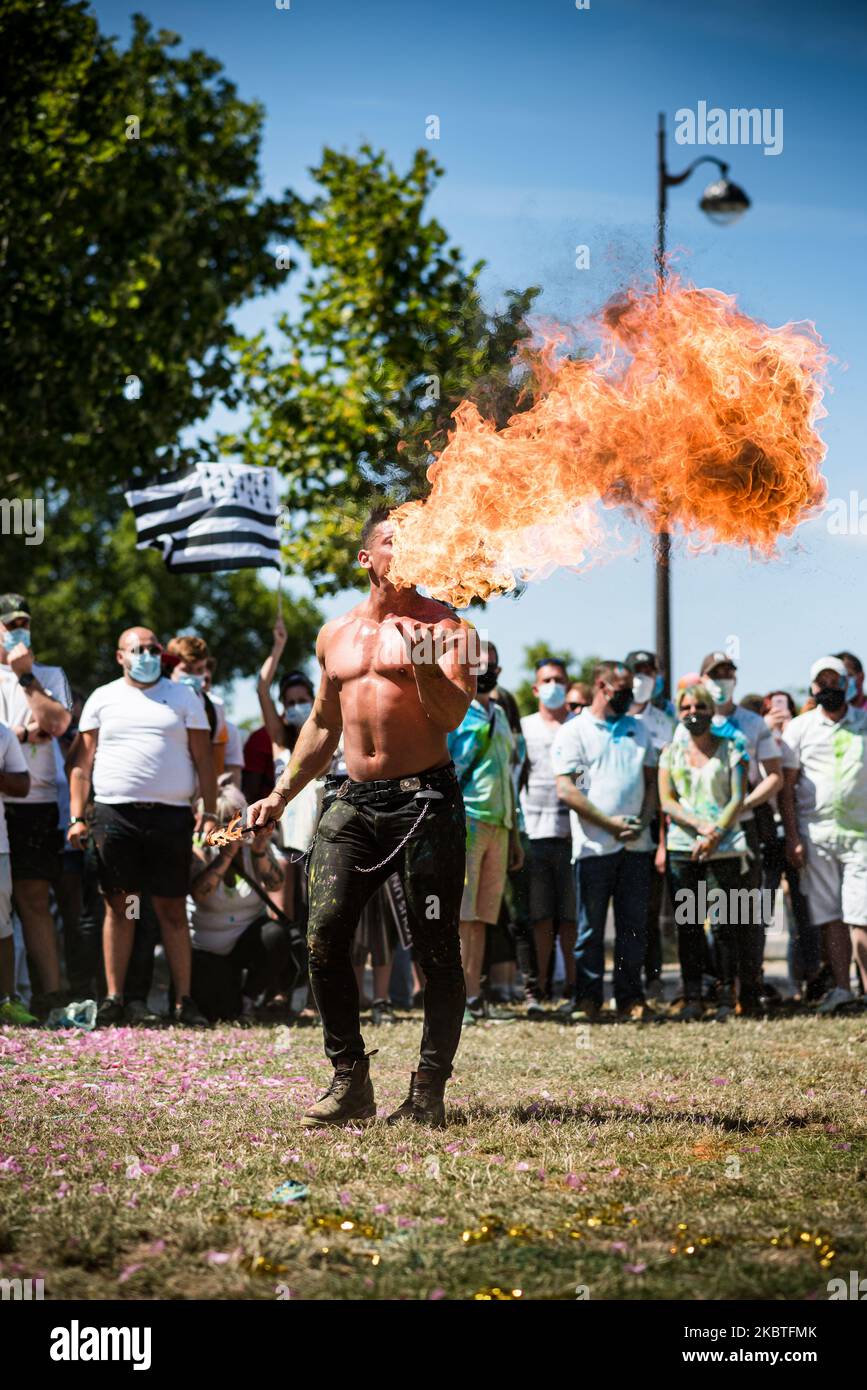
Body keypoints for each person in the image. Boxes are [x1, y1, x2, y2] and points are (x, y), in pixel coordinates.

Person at [246, 505, 474, 1129]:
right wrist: (282, 792)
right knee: (322, 936)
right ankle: (350, 1081)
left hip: (426, 801)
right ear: (366, 558)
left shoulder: (451, 626)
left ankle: (428, 1090)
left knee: (436, 952)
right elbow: (322, 722)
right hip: (352, 800)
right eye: (396, 541)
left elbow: (452, 716)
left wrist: (425, 665)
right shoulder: (334, 633)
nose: (410, 550)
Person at [67, 626, 218, 1028]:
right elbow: (82, 764)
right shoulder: (104, 697)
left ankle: (184, 1000)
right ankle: (116, 997)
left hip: (170, 819)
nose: (147, 654)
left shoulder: (184, 697)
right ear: (121, 656)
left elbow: (204, 759)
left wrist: (211, 808)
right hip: (117, 819)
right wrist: (77, 817)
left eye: (153, 648)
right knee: (125, 907)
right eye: (138, 649)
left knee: (170, 907)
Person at [552, 660, 658, 1022]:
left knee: (633, 927)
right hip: (594, 847)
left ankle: (630, 998)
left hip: (635, 846)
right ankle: (588, 998)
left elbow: (651, 782)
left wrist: (642, 821)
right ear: (601, 685)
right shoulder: (576, 731)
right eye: (622, 689)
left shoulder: (639, 729)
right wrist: (609, 824)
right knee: (590, 928)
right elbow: (569, 789)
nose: (629, 696)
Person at [695, 650, 783, 1012]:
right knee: (714, 912)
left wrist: (742, 805)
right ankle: (720, 987)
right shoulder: (693, 719)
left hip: (747, 827)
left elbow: (774, 774)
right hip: (705, 828)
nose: (722, 679)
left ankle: (750, 987)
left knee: (750, 911)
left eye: (728, 672)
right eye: (715, 674)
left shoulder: (752, 723)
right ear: (703, 679)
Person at [780, 656, 867, 1014]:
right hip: (816, 834)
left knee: (861, 914)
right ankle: (843, 989)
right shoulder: (799, 729)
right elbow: (786, 789)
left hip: (861, 834)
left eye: (836, 681)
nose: (829, 688)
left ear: (848, 683)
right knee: (831, 915)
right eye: (822, 682)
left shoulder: (864, 723)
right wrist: (792, 836)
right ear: (813, 687)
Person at [0, 593, 72, 1017]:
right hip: (2, 797)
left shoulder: (49, 675)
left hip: (38, 801)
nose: (17, 630)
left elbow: (58, 724)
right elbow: (18, 735)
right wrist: (23, 735)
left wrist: (27, 679)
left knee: (33, 898)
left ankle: (51, 994)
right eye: (9, 624)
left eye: (23, 623)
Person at [659, 684, 749, 1021]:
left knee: (726, 924)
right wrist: (700, 827)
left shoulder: (733, 747)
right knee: (690, 925)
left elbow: (738, 797)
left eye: (699, 706)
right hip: (684, 848)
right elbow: (667, 800)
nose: (692, 712)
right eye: (686, 707)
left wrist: (715, 834)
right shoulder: (670, 752)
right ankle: (693, 995)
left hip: (724, 848)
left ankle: (727, 996)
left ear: (712, 710)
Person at [448, 639, 521, 1027]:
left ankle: (474, 997)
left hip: (501, 825)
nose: (487, 670)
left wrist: (517, 832)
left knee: (482, 918)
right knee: (463, 916)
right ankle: (459, 1000)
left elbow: (510, 775)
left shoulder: (503, 715)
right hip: (468, 822)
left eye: (493, 664)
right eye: (480, 664)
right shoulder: (457, 713)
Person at [188, 779, 289, 1021]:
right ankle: (232, 999)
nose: (234, 832)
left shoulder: (255, 846)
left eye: (236, 822)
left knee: (277, 935)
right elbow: (200, 896)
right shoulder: (201, 848)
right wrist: (225, 856)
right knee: (220, 1012)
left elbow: (276, 884)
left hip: (247, 939)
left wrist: (258, 851)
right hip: (208, 948)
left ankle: (248, 998)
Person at [519, 657, 577, 1018]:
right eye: (547, 679)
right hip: (534, 832)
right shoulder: (523, 727)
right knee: (540, 917)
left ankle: (572, 988)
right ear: (536, 688)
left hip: (575, 834)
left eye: (559, 679)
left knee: (570, 918)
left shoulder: (579, 725)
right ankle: (539, 990)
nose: (553, 684)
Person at [760, 691, 821, 999]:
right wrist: (765, 730)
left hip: (797, 831)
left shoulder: (801, 737)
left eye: (785, 707)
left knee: (804, 911)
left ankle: (810, 977)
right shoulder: (757, 735)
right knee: (757, 908)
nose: (779, 713)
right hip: (765, 834)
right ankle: (753, 980)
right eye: (773, 708)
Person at [626, 649, 675, 1004]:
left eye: (649, 671)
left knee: (650, 909)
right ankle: (626, 985)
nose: (643, 678)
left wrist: (662, 838)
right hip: (618, 824)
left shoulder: (665, 722)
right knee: (627, 909)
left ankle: (654, 979)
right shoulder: (616, 719)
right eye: (637, 671)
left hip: (657, 822)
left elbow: (668, 784)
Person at [0, 716, 32, 1024]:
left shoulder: (3, 733)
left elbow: (22, 784)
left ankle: (6, 1001)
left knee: (2, 924)